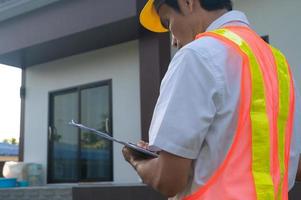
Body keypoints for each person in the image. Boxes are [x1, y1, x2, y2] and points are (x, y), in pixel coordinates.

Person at [122, 0, 301, 199]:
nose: (173, 40)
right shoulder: (278, 63)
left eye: (168, 20)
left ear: (188, 3)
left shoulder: (197, 55)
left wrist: (135, 159)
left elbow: (169, 179)